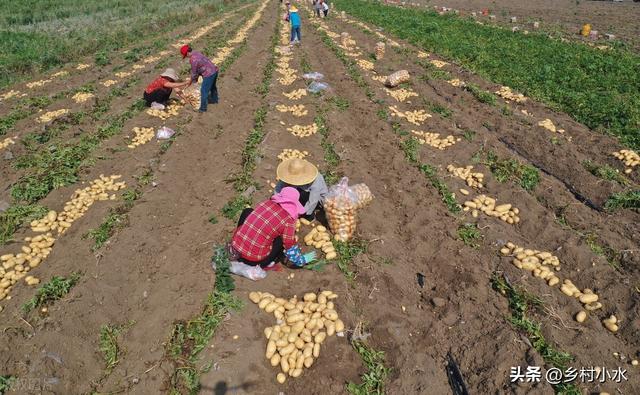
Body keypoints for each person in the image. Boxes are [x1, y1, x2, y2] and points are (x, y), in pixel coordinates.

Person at [231, 187, 316, 270]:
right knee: (280, 240)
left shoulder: (266, 203)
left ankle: (239, 239)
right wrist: (301, 260)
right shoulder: (288, 221)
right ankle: (269, 262)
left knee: (248, 211)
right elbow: (289, 246)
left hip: (235, 250)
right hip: (253, 260)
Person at [180, 44, 219, 112]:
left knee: (203, 91)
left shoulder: (193, 59)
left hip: (208, 74)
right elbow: (199, 67)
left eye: (186, 55)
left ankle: (202, 109)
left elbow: (194, 73)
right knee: (213, 87)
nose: (186, 57)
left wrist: (192, 81)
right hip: (214, 70)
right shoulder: (196, 52)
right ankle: (215, 99)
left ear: (187, 53)